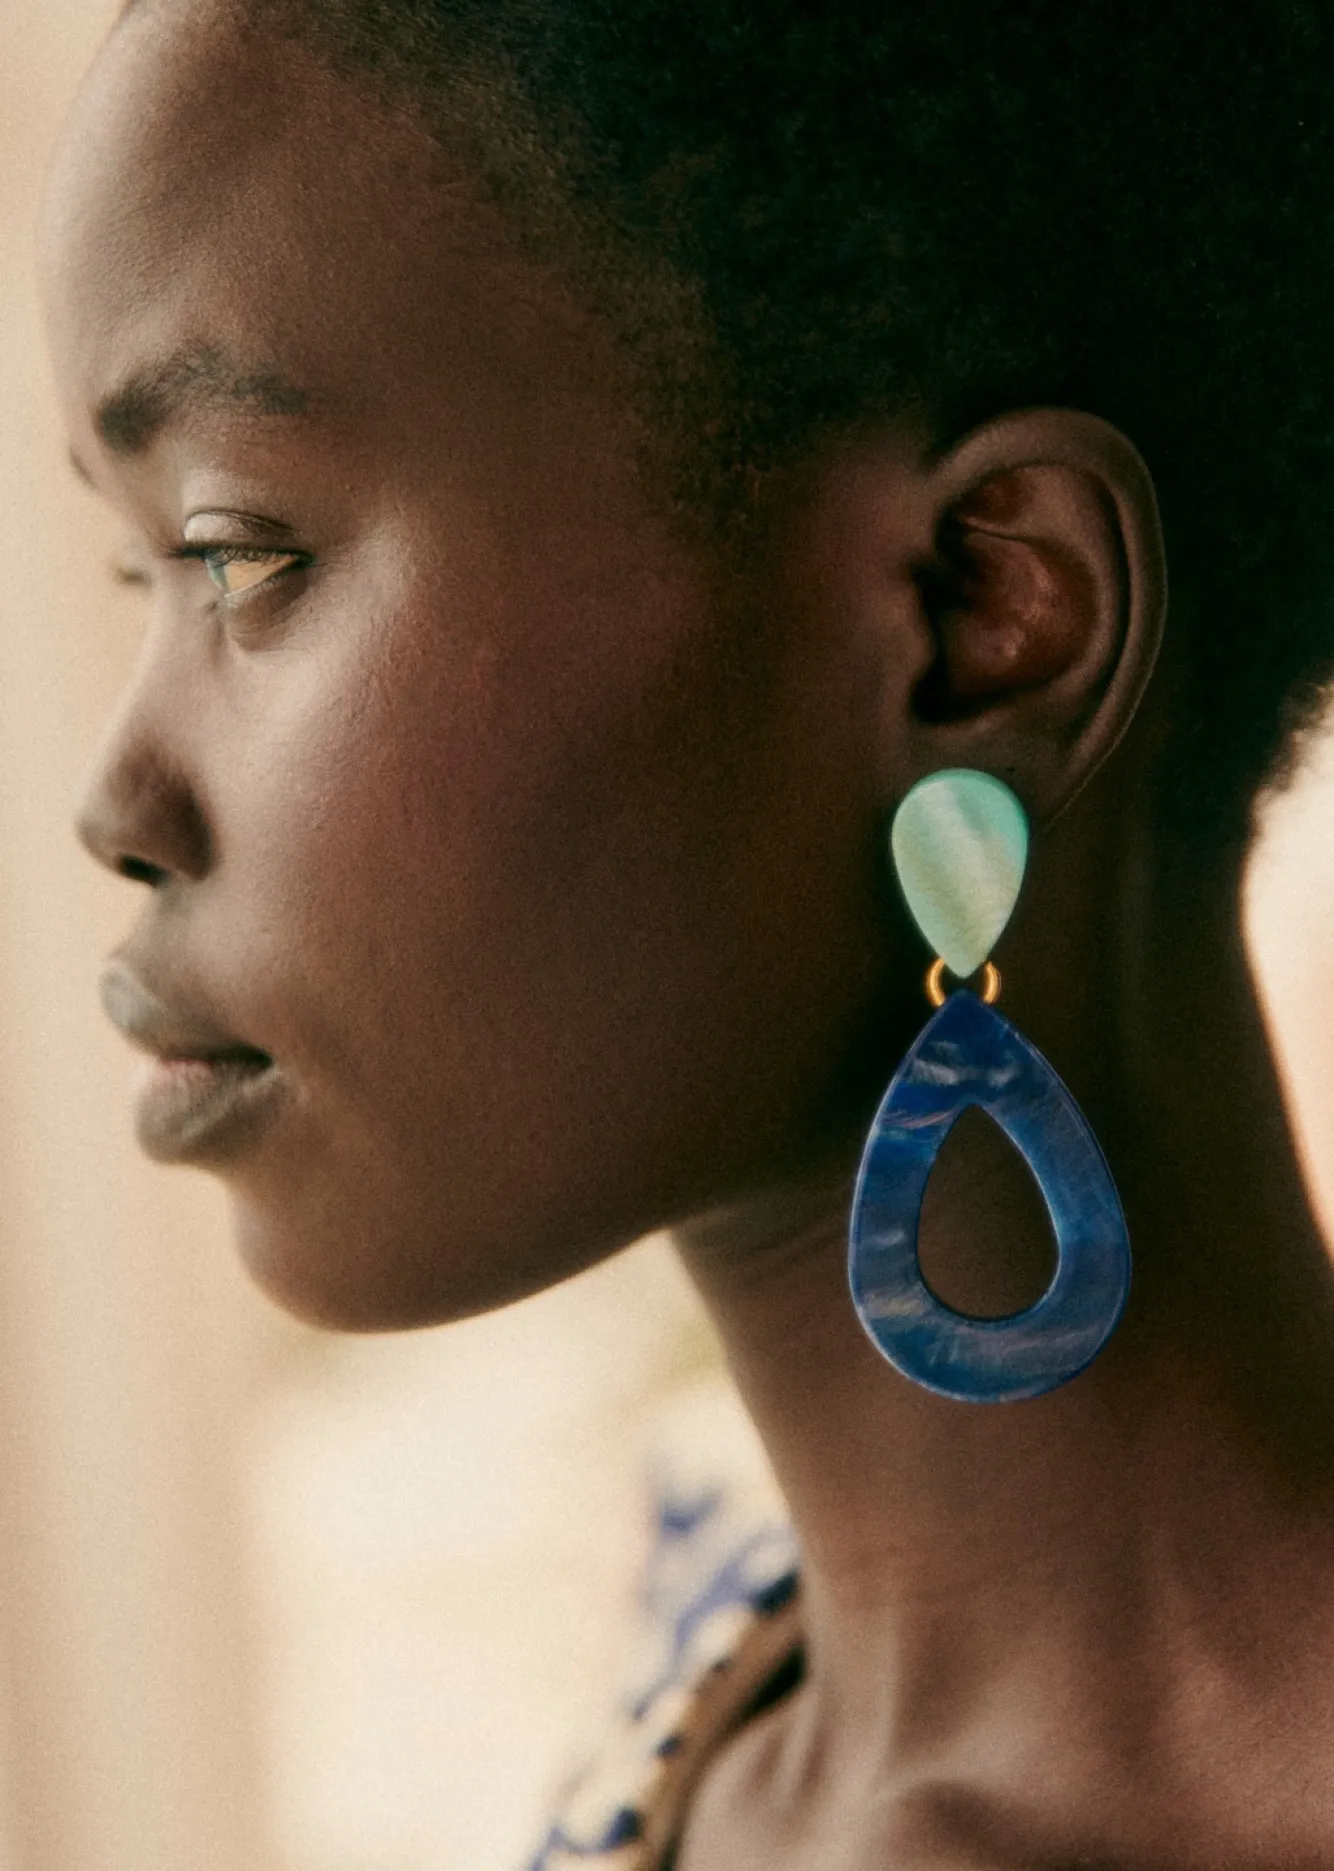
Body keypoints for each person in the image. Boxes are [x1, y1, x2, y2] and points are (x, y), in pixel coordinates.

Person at [38, 0, 1334, 1862]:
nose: (116, 800)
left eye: (244, 556)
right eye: (133, 568)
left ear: (984, 611)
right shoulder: (704, 1706)